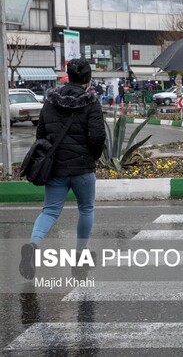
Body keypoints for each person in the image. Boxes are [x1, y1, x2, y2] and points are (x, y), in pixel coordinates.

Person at [19, 59, 106, 280]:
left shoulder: (50, 102)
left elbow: (41, 135)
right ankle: (79, 255)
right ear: (87, 79)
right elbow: (97, 137)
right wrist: (92, 157)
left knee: (49, 210)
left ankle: (33, 245)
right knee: (86, 209)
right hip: (83, 168)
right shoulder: (92, 103)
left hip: (55, 168)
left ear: (68, 76)